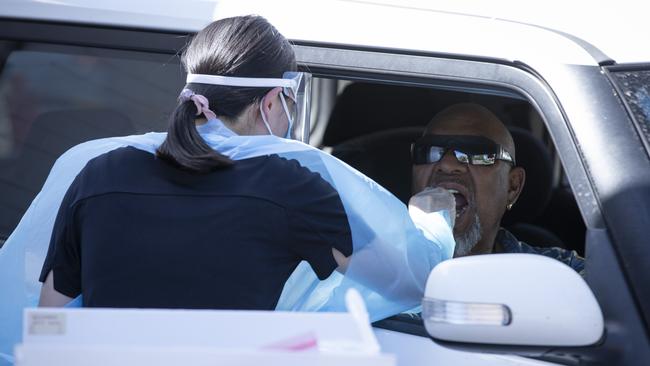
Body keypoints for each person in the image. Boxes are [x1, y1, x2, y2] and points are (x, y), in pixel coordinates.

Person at [0, 15, 456, 360]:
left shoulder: (99, 174)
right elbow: (404, 279)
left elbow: (51, 323)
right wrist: (431, 223)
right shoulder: (291, 184)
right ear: (273, 100)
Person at [411, 102, 584, 275]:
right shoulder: (383, 264)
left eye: (476, 153)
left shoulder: (557, 275)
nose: (447, 164)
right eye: (429, 151)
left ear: (512, 187)